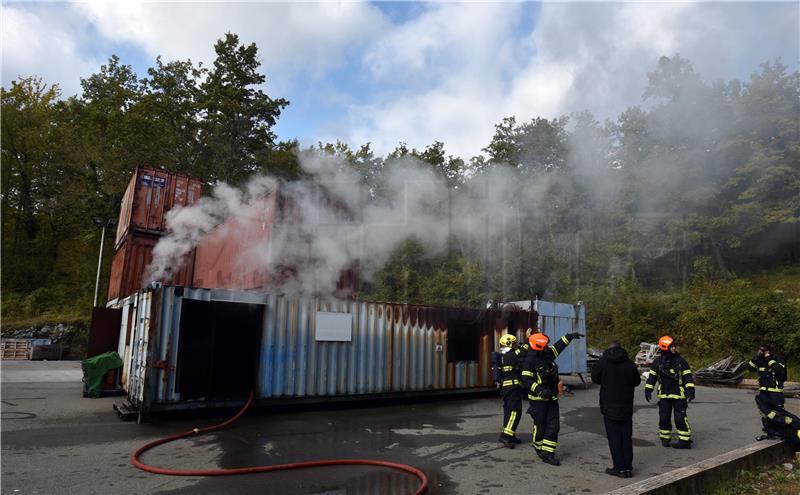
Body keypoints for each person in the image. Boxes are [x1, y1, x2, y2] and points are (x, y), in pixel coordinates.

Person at [521, 331, 583, 465]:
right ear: (538, 347)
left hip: (552, 399)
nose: (547, 347)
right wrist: (540, 390)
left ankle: (548, 453)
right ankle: (538, 447)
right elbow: (526, 380)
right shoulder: (529, 361)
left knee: (554, 426)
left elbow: (557, 347)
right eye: (545, 346)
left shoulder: (546, 354)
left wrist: (568, 337)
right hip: (538, 401)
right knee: (540, 426)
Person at [591, 341, 641, 478]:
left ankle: (619, 468)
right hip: (626, 405)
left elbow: (595, 378)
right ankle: (628, 468)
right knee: (626, 437)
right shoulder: (629, 363)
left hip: (609, 405)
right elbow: (637, 381)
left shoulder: (603, 362)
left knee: (614, 438)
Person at [644, 336, 695, 449]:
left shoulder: (681, 361)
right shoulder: (657, 362)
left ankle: (685, 440)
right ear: (665, 348)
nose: (674, 348)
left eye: (674, 346)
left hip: (679, 395)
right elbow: (652, 377)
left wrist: (690, 390)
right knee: (664, 418)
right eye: (671, 347)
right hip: (664, 395)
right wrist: (648, 389)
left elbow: (687, 376)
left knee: (679, 417)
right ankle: (665, 438)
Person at [749, 344, 800, 447]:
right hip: (764, 392)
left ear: (770, 350)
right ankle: (770, 432)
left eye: (765, 350)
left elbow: (778, 370)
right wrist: (756, 357)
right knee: (765, 413)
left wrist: (768, 358)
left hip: (775, 392)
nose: (763, 352)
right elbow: (750, 368)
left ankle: (789, 429)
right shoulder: (760, 360)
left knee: (778, 413)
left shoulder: (778, 359)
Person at [497, 334, 526, 448]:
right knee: (515, 412)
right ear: (509, 343)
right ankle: (506, 436)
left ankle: (511, 434)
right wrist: (528, 338)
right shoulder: (511, 355)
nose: (516, 345)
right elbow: (524, 350)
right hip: (512, 389)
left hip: (507, 389)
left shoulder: (504, 356)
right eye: (514, 343)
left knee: (509, 413)